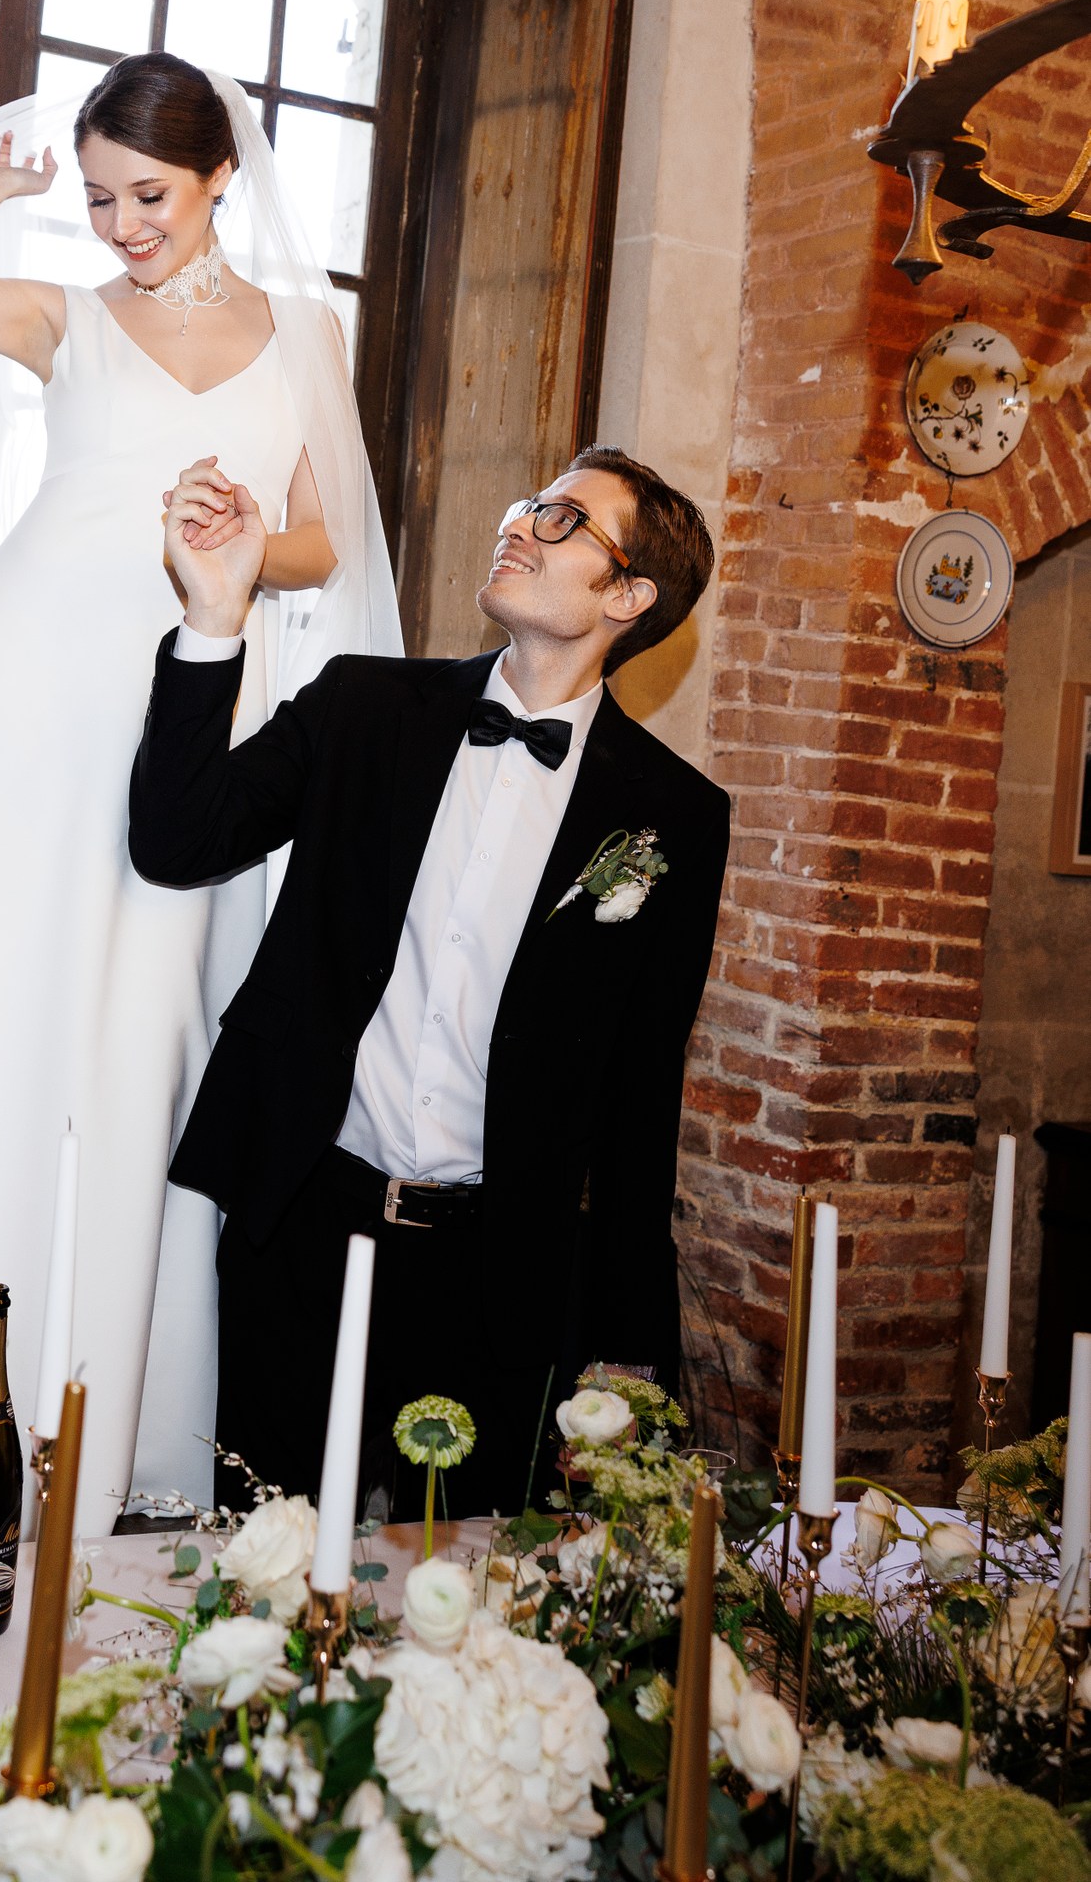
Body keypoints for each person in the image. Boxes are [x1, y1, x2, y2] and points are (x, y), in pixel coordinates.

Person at [0, 53, 401, 1538]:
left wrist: (231, 538)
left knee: (136, 1027)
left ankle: (88, 1409)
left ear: (219, 179)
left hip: (181, 707)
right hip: (14, 694)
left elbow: (324, 546)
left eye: (147, 194)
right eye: (95, 198)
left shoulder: (307, 332)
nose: (122, 224)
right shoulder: (63, 314)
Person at [128, 446, 729, 1518]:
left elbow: (643, 1103)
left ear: (630, 595)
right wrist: (214, 615)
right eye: (526, 499)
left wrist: (629, 1353)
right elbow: (178, 838)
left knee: (452, 1611)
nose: (520, 522)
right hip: (301, 1230)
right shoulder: (366, 705)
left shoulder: (673, 816)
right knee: (253, 1566)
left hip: (496, 1285)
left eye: (562, 519)